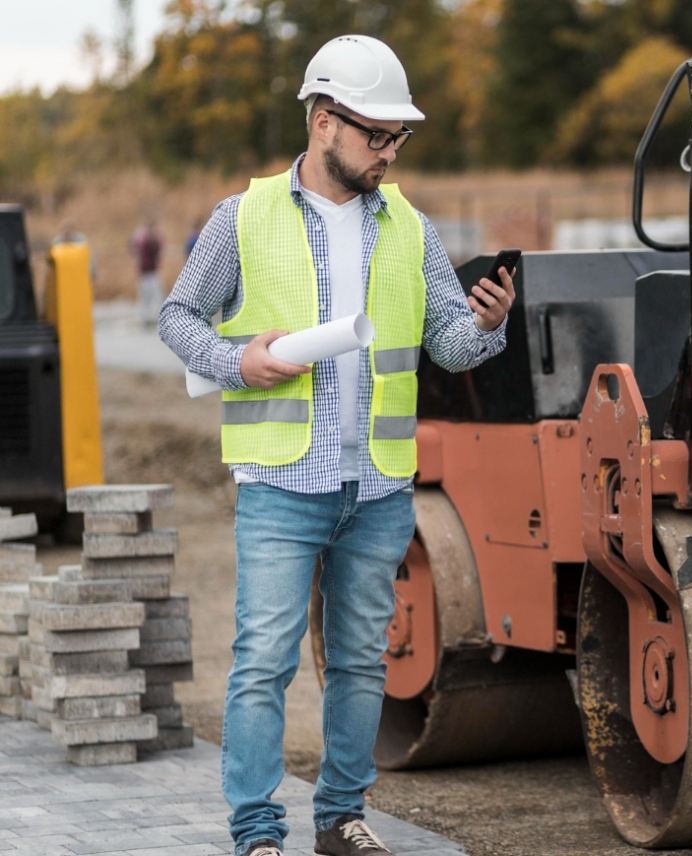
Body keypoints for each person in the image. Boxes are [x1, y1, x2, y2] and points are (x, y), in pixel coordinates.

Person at [159, 34, 516, 856]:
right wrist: (233, 361)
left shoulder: (411, 228)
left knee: (361, 663)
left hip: (379, 486)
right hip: (282, 480)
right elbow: (177, 317)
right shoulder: (240, 217)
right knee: (262, 665)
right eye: (376, 135)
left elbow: (446, 347)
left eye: (399, 138)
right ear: (323, 122)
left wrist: (484, 326)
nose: (389, 152)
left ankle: (340, 818)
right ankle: (256, 831)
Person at [131, 216, 163, 326]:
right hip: (146, 271)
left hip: (150, 271)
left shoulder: (141, 237)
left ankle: (152, 316)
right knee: (147, 296)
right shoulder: (146, 239)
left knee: (155, 295)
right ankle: (144, 317)